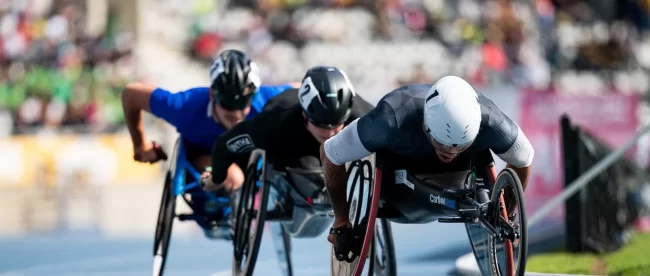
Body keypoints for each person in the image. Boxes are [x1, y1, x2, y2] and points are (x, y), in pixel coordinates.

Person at [320, 75, 534, 248]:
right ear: (425, 125)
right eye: (442, 143)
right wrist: (341, 218)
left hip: (461, 174)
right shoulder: (390, 118)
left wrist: (506, 212)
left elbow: (524, 158)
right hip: (397, 179)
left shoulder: (492, 122)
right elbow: (330, 153)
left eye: (460, 145)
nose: (450, 153)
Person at [121, 49, 295, 238]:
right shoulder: (185, 106)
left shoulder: (267, 99)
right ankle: (223, 205)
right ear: (212, 95)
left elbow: (306, 88)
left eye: (243, 106)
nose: (236, 115)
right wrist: (140, 145)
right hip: (204, 160)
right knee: (234, 176)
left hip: (251, 161)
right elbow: (131, 94)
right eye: (228, 107)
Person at [200, 66, 373, 220]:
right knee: (310, 176)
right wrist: (217, 178)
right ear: (305, 115)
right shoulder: (275, 122)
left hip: (340, 153)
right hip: (292, 151)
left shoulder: (363, 115)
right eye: (321, 125)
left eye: (336, 124)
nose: (329, 133)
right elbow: (225, 144)